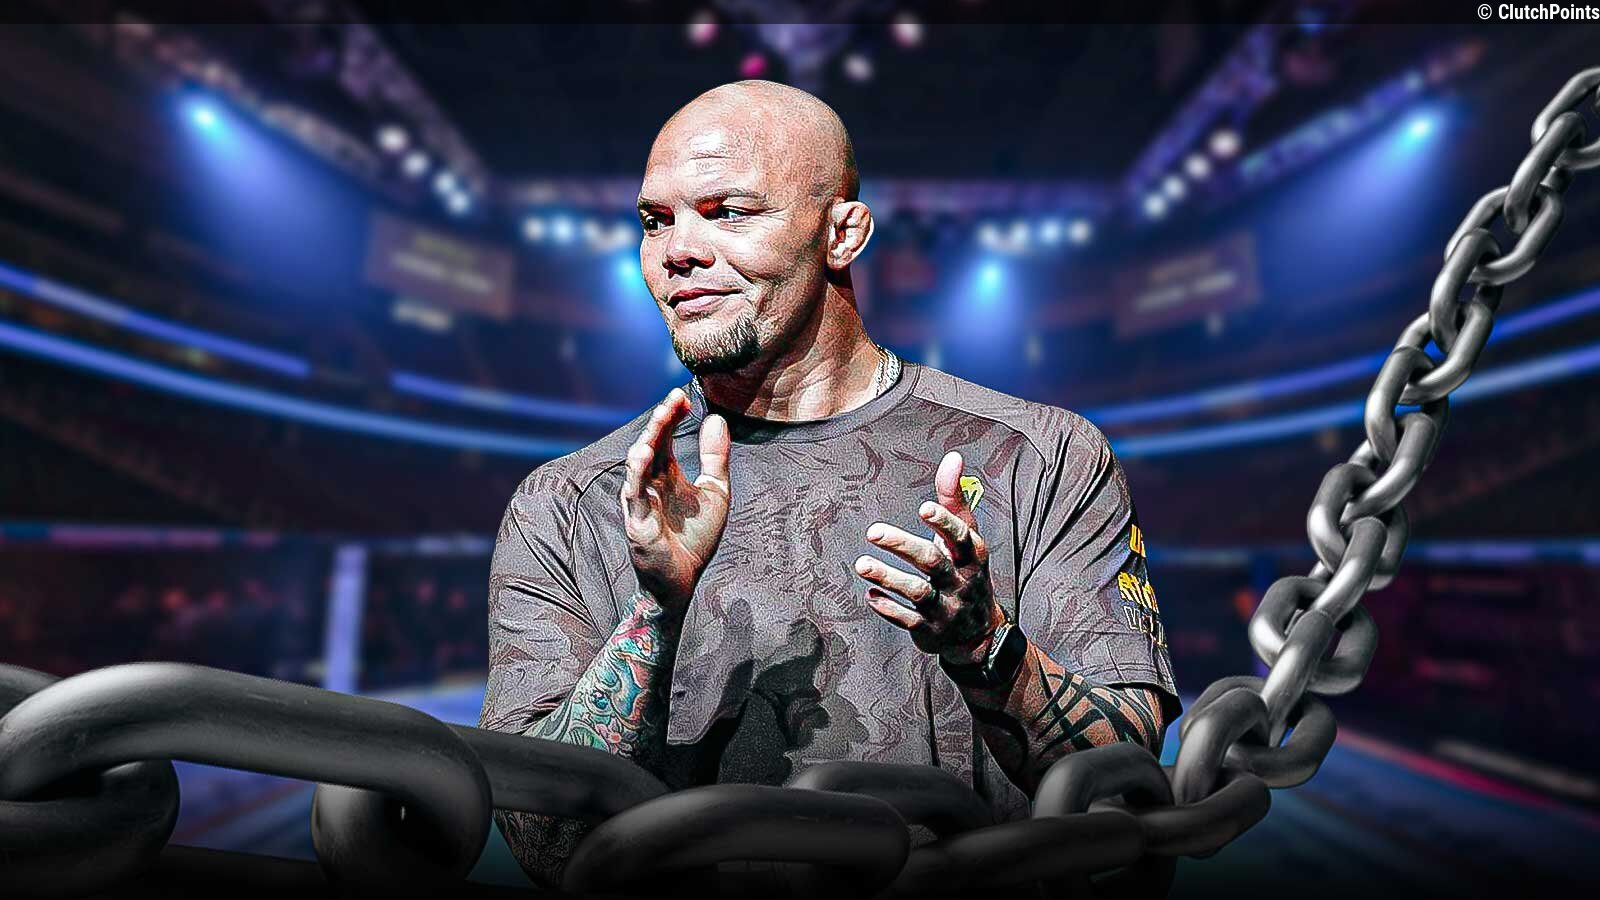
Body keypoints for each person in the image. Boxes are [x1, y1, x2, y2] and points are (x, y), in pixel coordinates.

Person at [478, 79, 1180, 888]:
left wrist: (985, 645)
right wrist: (655, 613)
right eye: (655, 220)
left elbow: (1121, 782)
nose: (677, 251)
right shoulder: (568, 504)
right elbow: (541, 841)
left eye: (727, 211)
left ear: (842, 234)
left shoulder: (1040, 457)